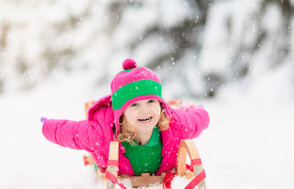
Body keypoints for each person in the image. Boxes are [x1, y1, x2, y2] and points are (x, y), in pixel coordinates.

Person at [41, 58, 209, 176]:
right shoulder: (102, 132)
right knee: (92, 150)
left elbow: (197, 121)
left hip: (159, 170)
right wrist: (47, 125)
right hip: (108, 161)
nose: (145, 111)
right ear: (121, 113)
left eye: (151, 101)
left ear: (161, 104)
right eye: (134, 105)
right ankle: (94, 158)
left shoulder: (176, 125)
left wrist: (198, 110)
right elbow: (71, 133)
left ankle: (177, 105)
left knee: (182, 114)